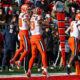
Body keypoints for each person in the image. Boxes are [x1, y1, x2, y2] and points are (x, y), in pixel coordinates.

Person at [27, 7, 50, 78]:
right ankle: (45, 70)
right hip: (37, 37)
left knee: (33, 55)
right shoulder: (38, 17)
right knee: (43, 52)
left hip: (32, 38)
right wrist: (48, 19)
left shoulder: (32, 17)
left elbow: (30, 24)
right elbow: (45, 23)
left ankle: (29, 71)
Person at [10, 4, 30, 70]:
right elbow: (27, 22)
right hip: (24, 33)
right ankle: (19, 61)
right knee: (27, 49)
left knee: (21, 48)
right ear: (24, 9)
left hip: (20, 32)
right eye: (27, 9)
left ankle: (13, 59)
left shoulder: (21, 14)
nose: (28, 10)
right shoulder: (25, 15)